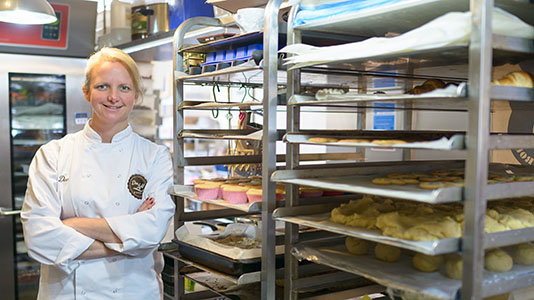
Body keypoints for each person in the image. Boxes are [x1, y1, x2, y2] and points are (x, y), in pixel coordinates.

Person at [21, 47, 175, 299]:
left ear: (136, 94)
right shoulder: (52, 154)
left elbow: (152, 232)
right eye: (102, 86)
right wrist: (128, 240)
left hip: (133, 291)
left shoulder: (154, 157)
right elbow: (39, 238)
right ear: (86, 92)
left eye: (124, 88)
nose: (113, 97)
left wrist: (73, 225)